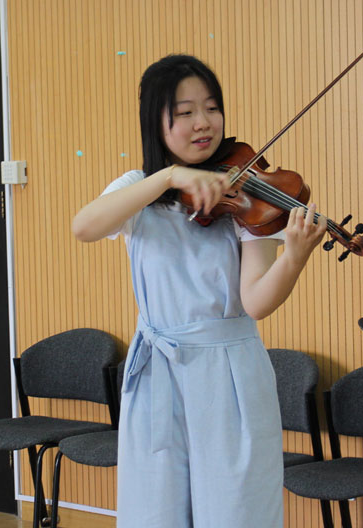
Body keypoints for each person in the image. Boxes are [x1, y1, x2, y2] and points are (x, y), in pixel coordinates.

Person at [72, 54, 327, 527]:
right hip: (156, 374)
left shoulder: (246, 196)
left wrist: (294, 255)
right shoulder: (139, 189)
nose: (203, 123)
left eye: (212, 108)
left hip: (228, 375)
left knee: (236, 510)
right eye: (185, 112)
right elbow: (84, 227)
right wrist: (168, 177)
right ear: (158, 122)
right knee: (156, 511)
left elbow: (255, 301)